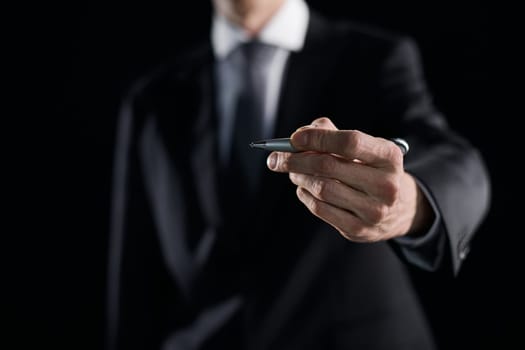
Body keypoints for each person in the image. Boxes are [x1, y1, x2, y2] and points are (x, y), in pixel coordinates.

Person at [106, 0, 491, 349]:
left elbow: (453, 161)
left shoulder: (375, 59)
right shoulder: (152, 101)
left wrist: (410, 203)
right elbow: (135, 288)